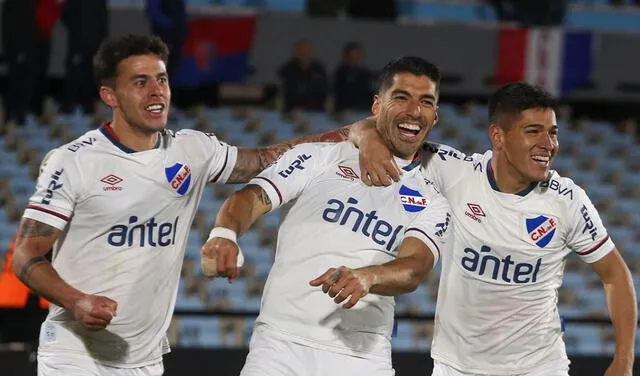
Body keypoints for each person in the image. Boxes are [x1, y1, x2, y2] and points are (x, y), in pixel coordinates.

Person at [12, 34, 392, 376]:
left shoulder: (191, 149)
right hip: (74, 354)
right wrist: (76, 301)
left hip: (143, 360)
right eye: (139, 82)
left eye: (161, 79)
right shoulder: (73, 161)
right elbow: (26, 256)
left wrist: (352, 132)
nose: (156, 91)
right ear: (109, 95)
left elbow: (266, 159)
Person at [354, 82, 637, 376]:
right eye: (533, 131)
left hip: (539, 368)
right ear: (498, 136)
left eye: (552, 132)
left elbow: (615, 274)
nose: (548, 144)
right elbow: (373, 131)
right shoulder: (454, 172)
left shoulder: (567, 200)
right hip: (456, 368)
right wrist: (369, 138)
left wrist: (624, 361)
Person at [201, 56, 451, 375]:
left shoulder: (433, 197)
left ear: (435, 115)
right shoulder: (319, 157)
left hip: (362, 356)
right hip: (281, 346)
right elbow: (251, 198)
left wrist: (368, 276)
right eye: (401, 97)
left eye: (425, 102)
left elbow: (415, 268)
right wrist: (224, 233)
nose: (414, 111)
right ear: (377, 105)